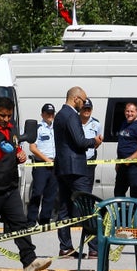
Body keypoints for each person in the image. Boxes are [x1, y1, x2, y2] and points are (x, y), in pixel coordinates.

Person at [0, 97, 53, 271]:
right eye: (2, 115)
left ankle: (29, 260)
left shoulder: (12, 128)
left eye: (9, 116)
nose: (6, 119)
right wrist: (0, 150)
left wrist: (19, 154)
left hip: (9, 186)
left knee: (20, 224)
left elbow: (15, 149)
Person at [53, 86, 103, 258]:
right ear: (76, 99)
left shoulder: (59, 115)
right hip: (76, 168)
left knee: (65, 208)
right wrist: (94, 141)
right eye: (83, 100)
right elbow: (79, 141)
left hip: (62, 167)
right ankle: (94, 248)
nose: (83, 105)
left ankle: (65, 246)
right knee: (87, 206)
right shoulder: (72, 116)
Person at [26, 103, 58, 226]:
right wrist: (46, 160)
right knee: (37, 192)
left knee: (51, 194)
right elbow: (32, 148)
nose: (50, 115)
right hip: (41, 164)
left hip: (54, 164)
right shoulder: (37, 128)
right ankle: (31, 220)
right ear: (42, 114)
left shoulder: (57, 128)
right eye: (47, 113)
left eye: (52, 113)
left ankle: (45, 219)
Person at [114, 102, 137, 201]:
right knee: (118, 192)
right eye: (127, 111)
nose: (129, 113)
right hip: (123, 165)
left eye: (132, 111)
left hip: (135, 166)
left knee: (135, 194)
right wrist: (118, 161)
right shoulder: (124, 123)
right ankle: (121, 215)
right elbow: (122, 144)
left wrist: (131, 159)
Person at [80, 98, 101, 192]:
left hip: (89, 161)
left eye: (89, 109)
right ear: (80, 109)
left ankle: (86, 206)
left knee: (88, 188)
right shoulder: (74, 121)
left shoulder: (96, 124)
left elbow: (98, 141)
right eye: (84, 108)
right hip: (77, 160)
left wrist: (91, 150)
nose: (86, 111)